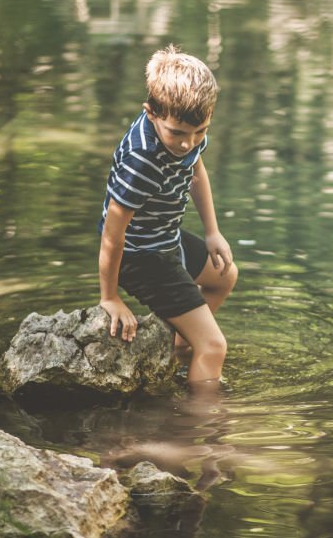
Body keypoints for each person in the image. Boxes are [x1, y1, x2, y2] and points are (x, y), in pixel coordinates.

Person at [97, 45, 237, 393]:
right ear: (152, 112)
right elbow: (113, 237)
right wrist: (110, 297)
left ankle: (176, 348)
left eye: (200, 132)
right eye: (178, 133)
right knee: (215, 347)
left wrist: (212, 232)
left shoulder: (187, 131)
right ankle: (192, 431)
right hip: (141, 257)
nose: (188, 144)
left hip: (166, 237)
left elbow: (195, 170)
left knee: (224, 276)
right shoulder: (141, 161)